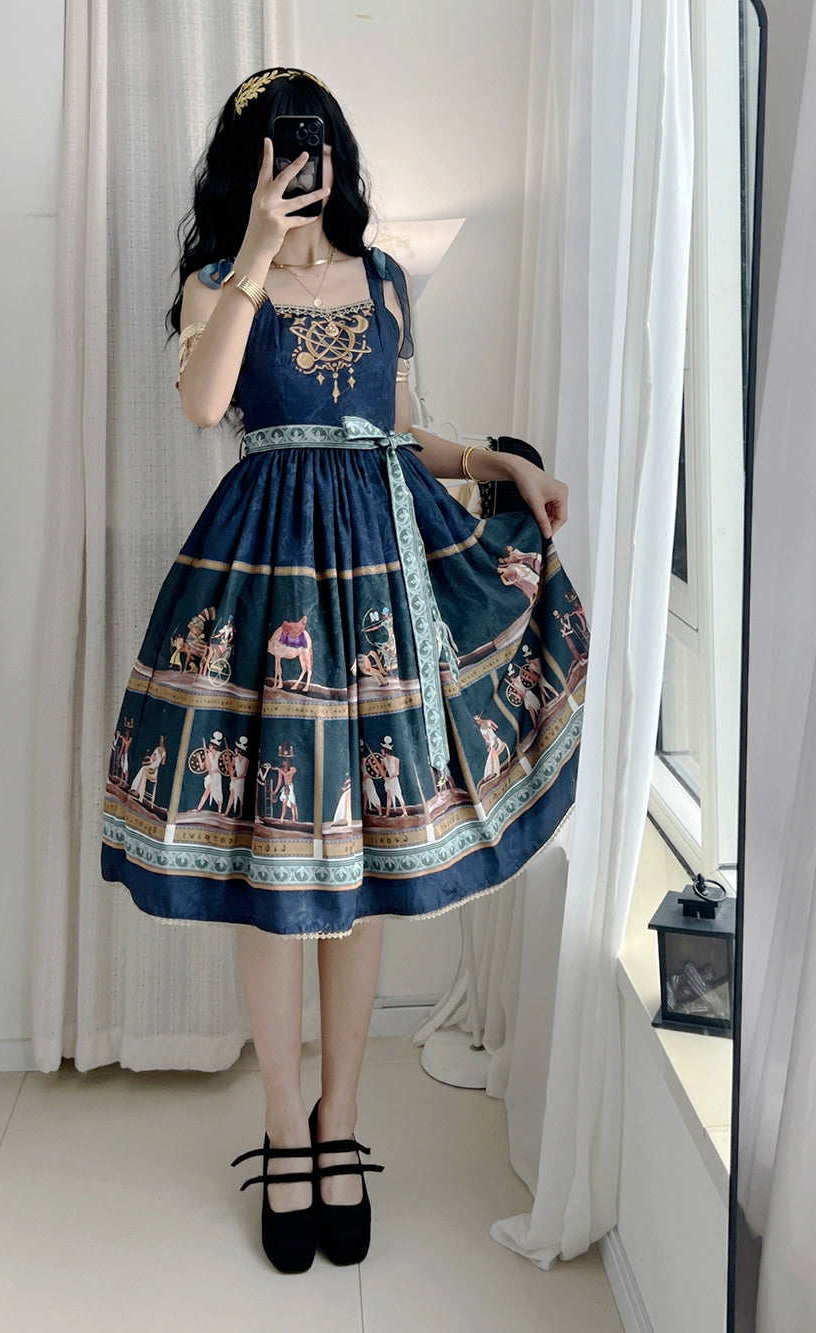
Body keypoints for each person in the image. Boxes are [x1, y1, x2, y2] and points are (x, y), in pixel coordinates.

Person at [100, 67, 590, 1273]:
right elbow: (205, 405)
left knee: (360, 863)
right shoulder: (217, 280)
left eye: (311, 143)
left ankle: (340, 1121)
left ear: (336, 154)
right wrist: (259, 250)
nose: (299, 163)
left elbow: (401, 430)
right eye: (277, 146)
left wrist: (502, 466)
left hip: (378, 578)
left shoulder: (385, 280)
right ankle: (282, 1127)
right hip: (265, 580)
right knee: (278, 862)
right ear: (249, 162)